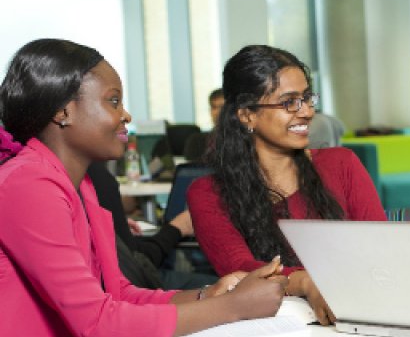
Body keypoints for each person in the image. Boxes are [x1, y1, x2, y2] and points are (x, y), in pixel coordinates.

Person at [0, 38, 287, 336]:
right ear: (63, 111)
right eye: (113, 101)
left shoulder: (80, 185)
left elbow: (118, 294)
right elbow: (99, 324)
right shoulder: (28, 184)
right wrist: (235, 307)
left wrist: (212, 295)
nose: (125, 115)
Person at [187, 45, 387, 325]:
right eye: (289, 102)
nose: (305, 112)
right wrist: (304, 282)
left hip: (359, 314)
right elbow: (241, 268)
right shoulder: (208, 193)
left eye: (307, 98)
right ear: (247, 115)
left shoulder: (341, 164)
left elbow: (380, 248)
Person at [87, 162, 218, 290]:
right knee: (221, 285)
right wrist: (177, 228)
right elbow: (138, 266)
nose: (124, 138)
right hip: (131, 287)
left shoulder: (84, 179)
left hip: (113, 285)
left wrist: (116, 222)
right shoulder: (96, 176)